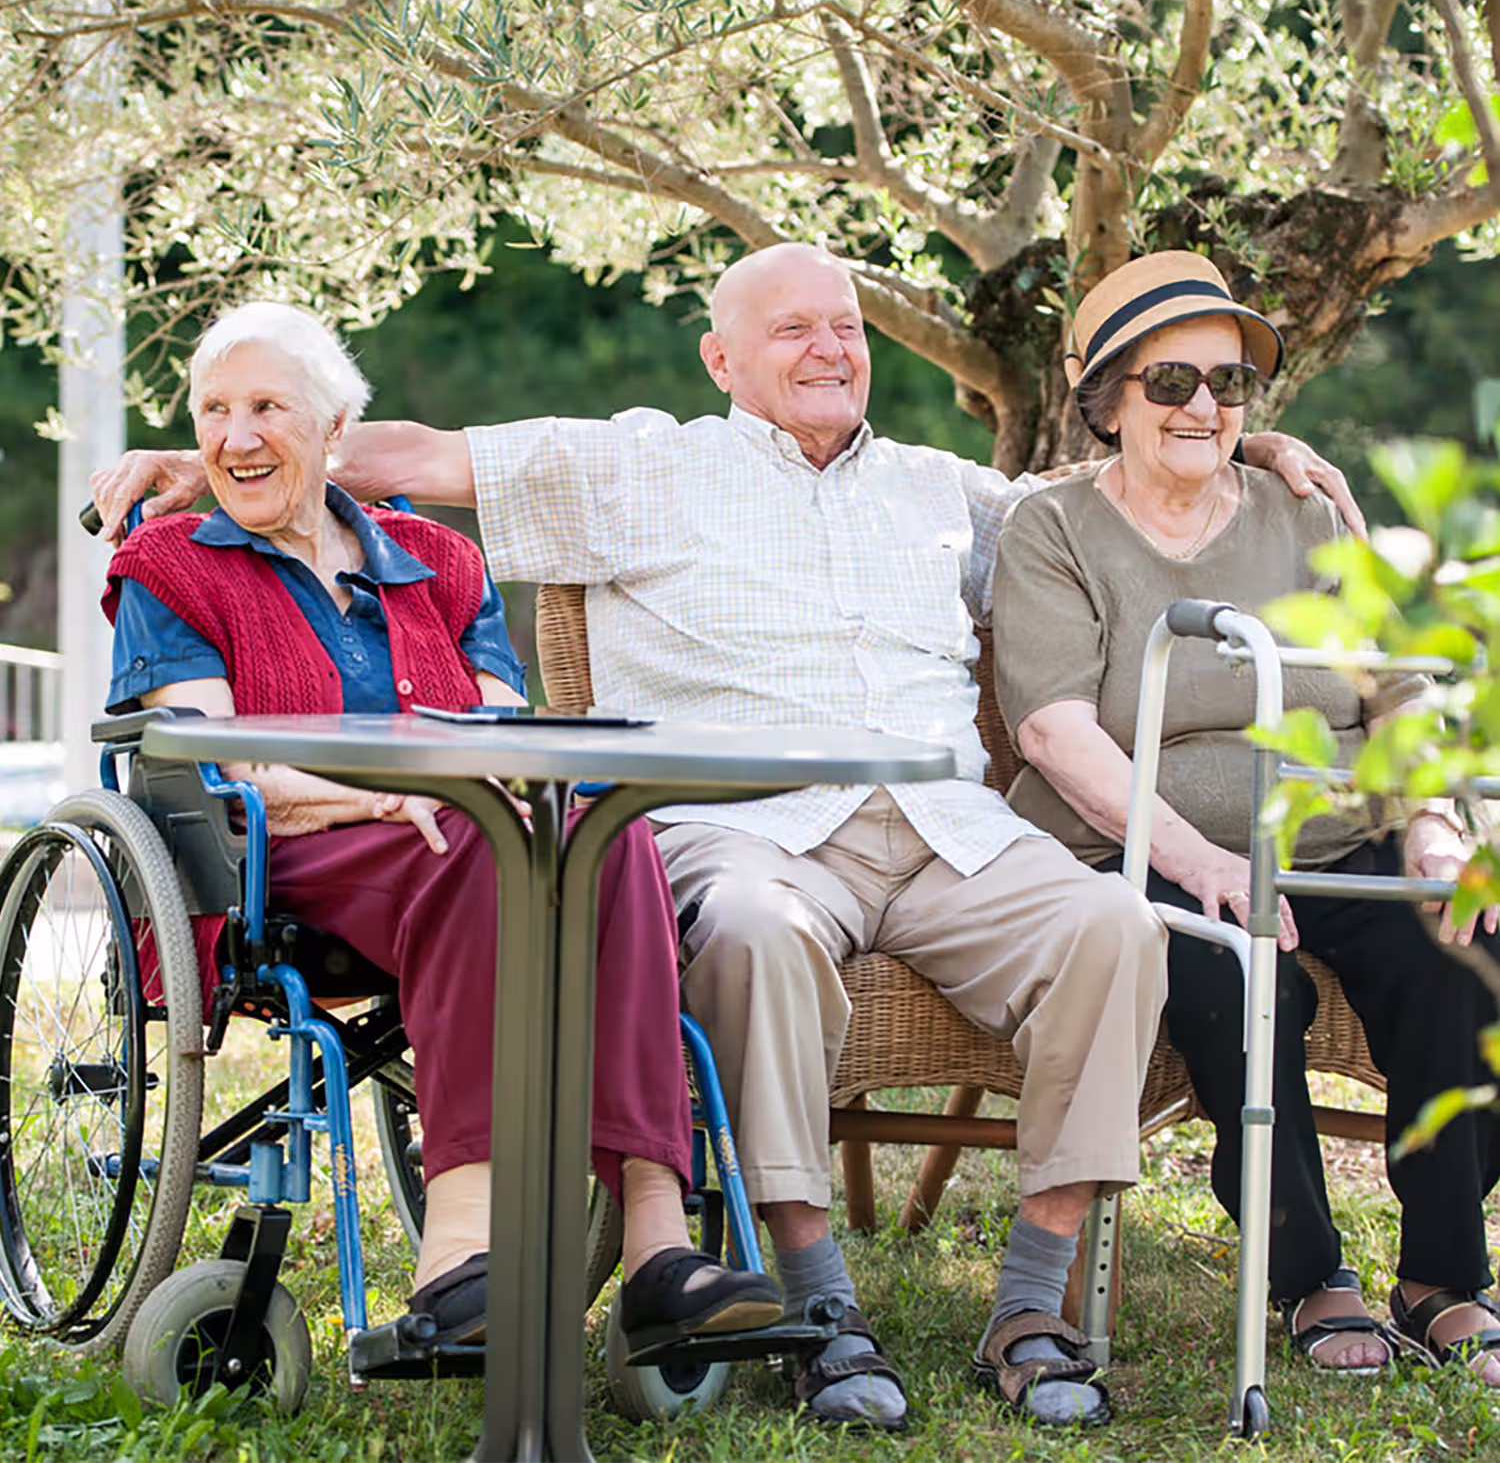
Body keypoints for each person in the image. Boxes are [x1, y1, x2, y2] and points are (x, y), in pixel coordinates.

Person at [93, 246, 1361, 1430]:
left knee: (1112, 925)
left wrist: (1247, 436)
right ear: (722, 360)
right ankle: (814, 1301)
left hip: (947, 829)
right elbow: (406, 454)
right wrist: (224, 452)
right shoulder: (644, 463)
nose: (829, 350)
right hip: (750, 835)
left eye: (847, 328)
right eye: (792, 327)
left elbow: (1111, 496)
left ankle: (1031, 1306)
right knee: (749, 932)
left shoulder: (949, 493)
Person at [100, 301, 782, 1355]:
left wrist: (494, 785)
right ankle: (460, 1247)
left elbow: (500, 730)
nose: (236, 437)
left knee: (607, 831)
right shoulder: (173, 567)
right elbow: (213, 759)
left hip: (449, 838)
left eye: (268, 407)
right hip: (277, 856)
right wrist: (375, 798)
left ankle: (656, 1242)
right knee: (475, 840)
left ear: (337, 432)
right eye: (214, 411)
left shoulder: (439, 563)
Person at [992, 249, 1500, 1385]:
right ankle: (1312, 1274)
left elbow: (1398, 684)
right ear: (1109, 397)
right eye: (1171, 382)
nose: (1206, 407)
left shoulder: (1305, 509)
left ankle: (1444, 1279)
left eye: (1230, 385)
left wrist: (1431, 824)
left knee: (1471, 956)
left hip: (1342, 835)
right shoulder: (1055, 530)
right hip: (1153, 848)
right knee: (1233, 980)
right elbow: (1055, 732)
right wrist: (1202, 858)